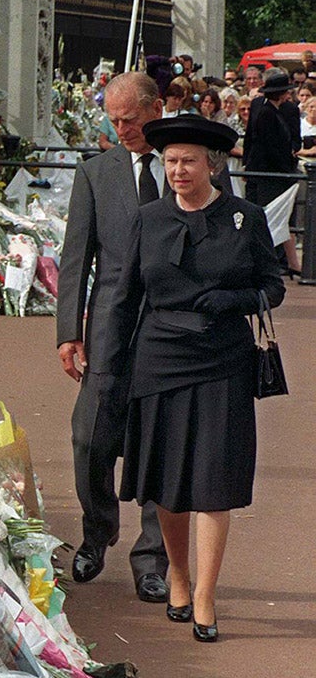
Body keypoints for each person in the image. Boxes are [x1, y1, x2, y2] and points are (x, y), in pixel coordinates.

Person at [118, 115, 285, 642]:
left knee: (214, 482)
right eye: (169, 161)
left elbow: (272, 286)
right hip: (160, 357)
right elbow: (123, 295)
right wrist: (106, 361)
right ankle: (180, 578)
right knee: (169, 483)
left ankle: (207, 596)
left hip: (222, 359)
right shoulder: (148, 219)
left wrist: (234, 299)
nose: (177, 170)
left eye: (188, 160)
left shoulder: (246, 216)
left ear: (211, 164)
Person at [56, 72, 169, 603]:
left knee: (161, 443)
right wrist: (67, 333)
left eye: (130, 119)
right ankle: (97, 534)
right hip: (108, 327)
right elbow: (76, 258)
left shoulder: (190, 164)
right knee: (89, 437)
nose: (119, 128)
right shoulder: (95, 173)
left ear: (157, 109)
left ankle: (153, 560)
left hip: (173, 329)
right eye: (113, 119)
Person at [244, 67, 302, 275]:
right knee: (267, 214)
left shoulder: (276, 110)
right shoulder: (266, 112)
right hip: (268, 173)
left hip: (273, 171)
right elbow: (265, 143)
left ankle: (287, 262)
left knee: (280, 216)